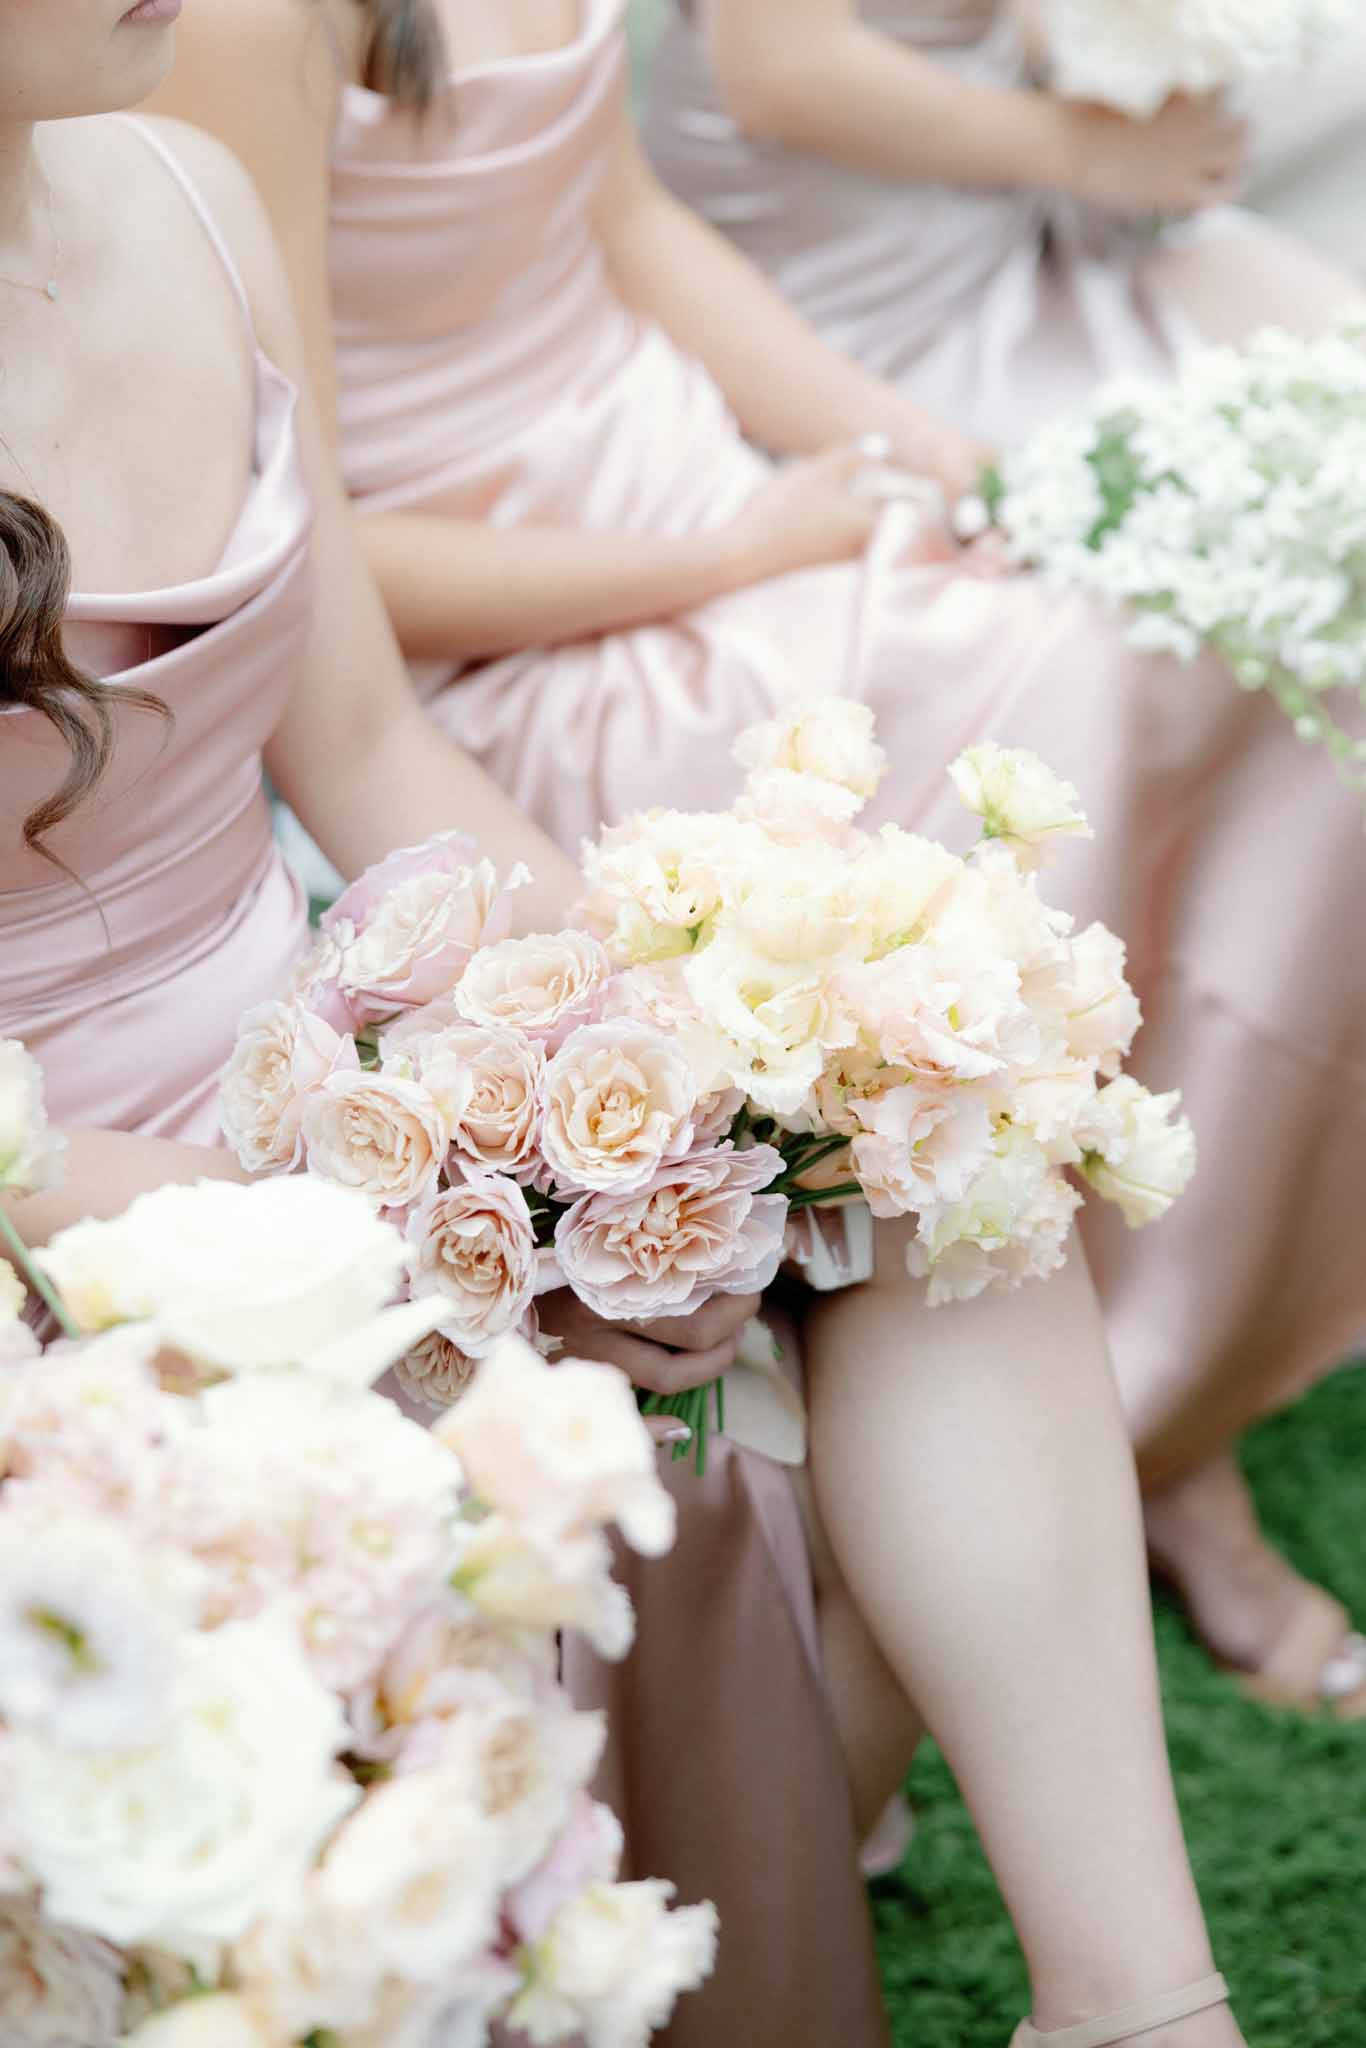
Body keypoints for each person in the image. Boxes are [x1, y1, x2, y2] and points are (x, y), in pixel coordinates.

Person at [1, 12, 1255, 2048]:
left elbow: (371, 740)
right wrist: (369, 1204)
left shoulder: (183, 197)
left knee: (910, 1138)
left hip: (322, 1064)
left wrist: (654, 1049)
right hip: (71, 1202)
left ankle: (1134, 2007)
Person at [153, 0, 1366, 1736]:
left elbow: (633, 228)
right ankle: (1058, 1443)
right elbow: (315, 553)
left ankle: (1159, 1401)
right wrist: (723, 551)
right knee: (1084, 725)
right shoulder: (241, 32)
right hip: (540, 615)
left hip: (702, 485)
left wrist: (923, 460)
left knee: (1270, 673)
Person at [643, 0, 1366, 444]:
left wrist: (1131, 52)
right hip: (841, 264)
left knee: (1327, 371)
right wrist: (1080, 148)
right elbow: (782, 75)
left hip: (1006, 188)